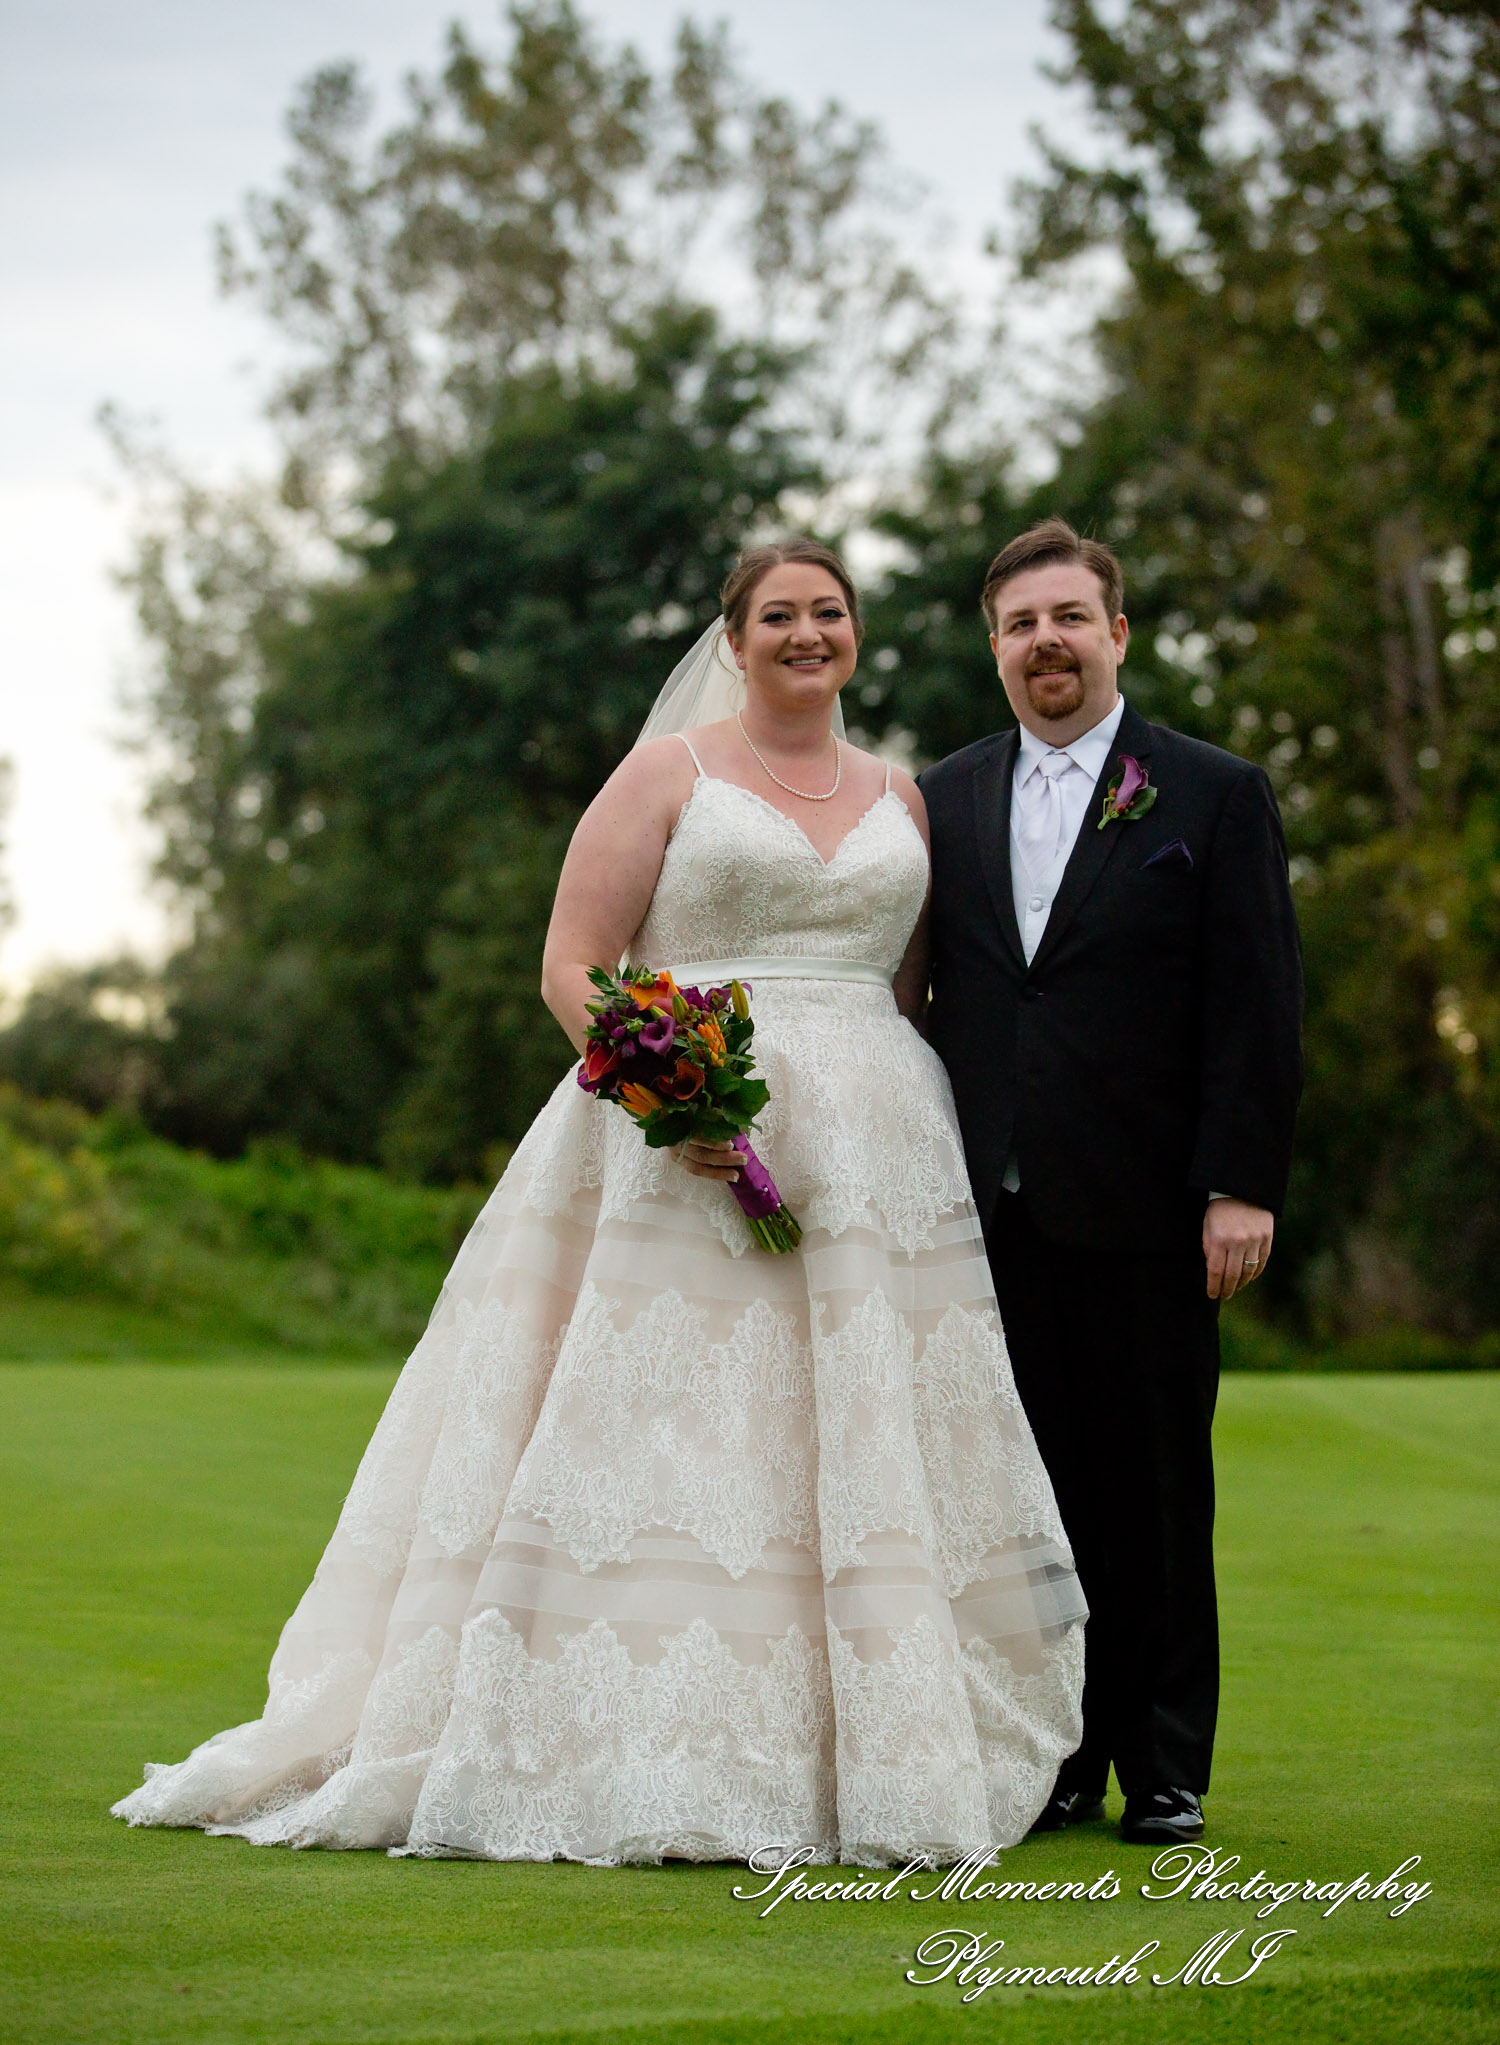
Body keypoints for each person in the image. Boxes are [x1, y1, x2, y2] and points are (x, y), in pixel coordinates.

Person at [113, 537, 1085, 1868]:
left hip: (873, 1160)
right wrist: (667, 1091)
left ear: (857, 635)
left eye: (830, 612)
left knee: (851, 1430)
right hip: (678, 1141)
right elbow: (573, 964)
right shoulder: (667, 774)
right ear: (732, 642)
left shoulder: (904, 799)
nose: (807, 633)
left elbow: (913, 989)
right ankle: (633, 1737)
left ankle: (857, 1744)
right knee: (680, 1428)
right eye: (778, 615)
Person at [918, 519, 1302, 1847]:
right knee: (1024, 1499)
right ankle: (1060, 1755)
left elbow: (1257, 1005)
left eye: (1069, 617)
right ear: (995, 648)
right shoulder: (942, 798)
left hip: (1150, 1210)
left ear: (1118, 633)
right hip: (988, 1212)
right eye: (1021, 624)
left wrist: (1238, 1183)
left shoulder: (1211, 793)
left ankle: (1167, 1761)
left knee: (1155, 1490)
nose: (1048, 643)